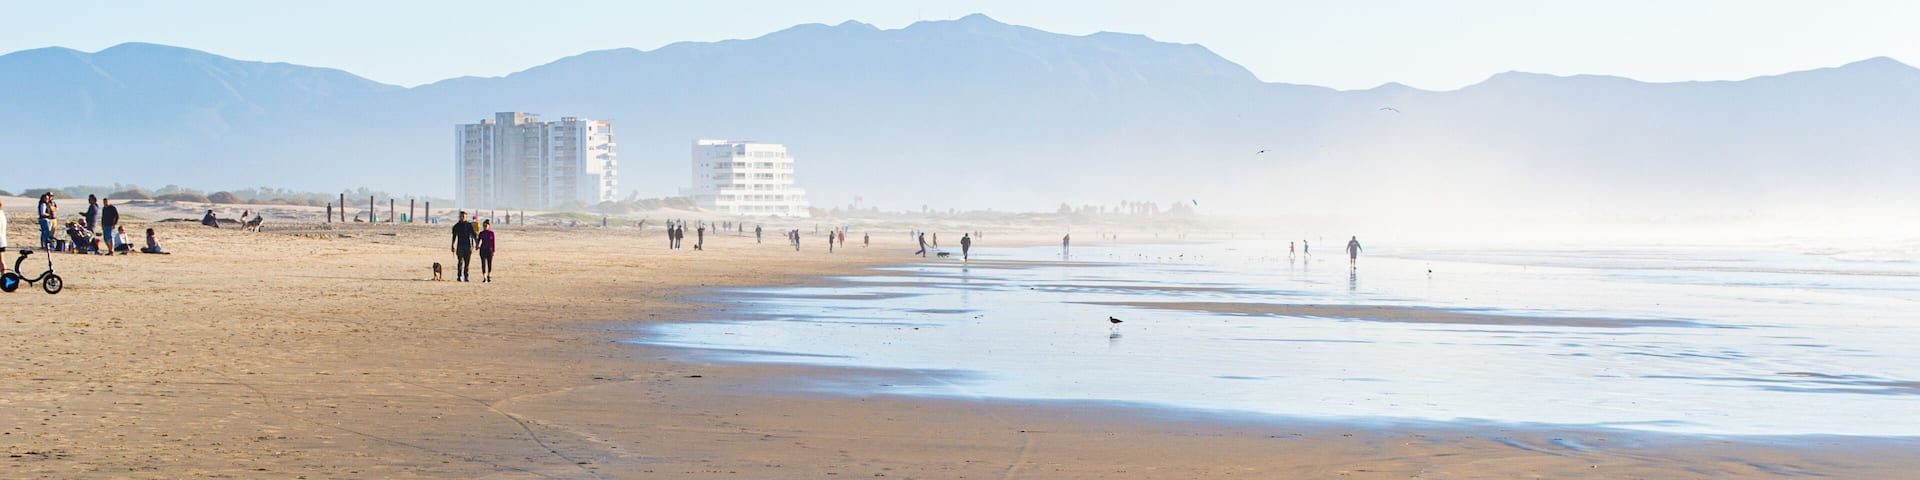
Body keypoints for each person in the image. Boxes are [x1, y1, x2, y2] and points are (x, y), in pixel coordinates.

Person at [450, 211, 477, 282]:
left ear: (466, 217)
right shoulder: (456, 226)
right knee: (460, 262)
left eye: (463, 216)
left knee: (467, 263)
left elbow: (474, 235)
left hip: (468, 246)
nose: (462, 218)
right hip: (460, 246)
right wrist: (452, 245)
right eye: (461, 216)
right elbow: (454, 236)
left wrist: (477, 244)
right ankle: (459, 276)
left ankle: (466, 276)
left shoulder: (469, 225)